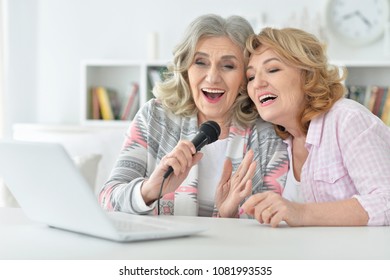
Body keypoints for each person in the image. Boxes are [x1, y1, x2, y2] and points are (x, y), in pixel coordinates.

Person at [98, 14, 288, 217]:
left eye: (228, 66)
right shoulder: (154, 118)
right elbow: (107, 199)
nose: (213, 77)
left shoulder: (267, 134)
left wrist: (228, 216)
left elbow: (270, 222)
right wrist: (149, 190)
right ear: (186, 69)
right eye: (201, 62)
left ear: (245, 77)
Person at [241, 27, 390, 227]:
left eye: (273, 69)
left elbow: (386, 202)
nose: (257, 83)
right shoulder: (278, 141)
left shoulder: (348, 120)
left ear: (308, 74)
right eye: (251, 77)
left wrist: (301, 213)